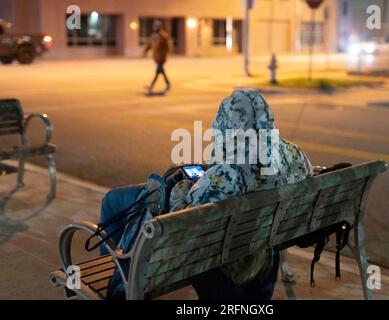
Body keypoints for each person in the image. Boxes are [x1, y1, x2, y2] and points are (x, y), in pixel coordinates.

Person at [98, 89, 313, 299]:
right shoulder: (294, 154)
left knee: (115, 201)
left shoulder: (228, 173)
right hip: (263, 251)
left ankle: (120, 280)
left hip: (221, 258)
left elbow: (184, 216)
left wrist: (178, 184)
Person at [143, 20, 171, 94]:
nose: (156, 28)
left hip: (162, 58)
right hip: (156, 57)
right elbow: (149, 45)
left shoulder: (163, 36)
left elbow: (167, 47)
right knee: (161, 71)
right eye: (155, 26)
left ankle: (151, 85)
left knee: (157, 71)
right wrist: (145, 52)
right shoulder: (152, 36)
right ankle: (168, 84)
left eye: (157, 26)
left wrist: (165, 55)